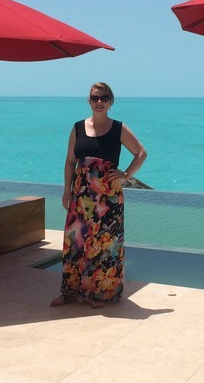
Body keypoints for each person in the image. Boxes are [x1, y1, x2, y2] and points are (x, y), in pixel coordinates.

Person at [51, 82, 147, 308]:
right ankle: (70, 292)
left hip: (108, 199)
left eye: (104, 98)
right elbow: (70, 161)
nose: (99, 102)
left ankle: (99, 293)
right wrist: (66, 190)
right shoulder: (77, 128)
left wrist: (125, 174)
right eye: (95, 98)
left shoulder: (118, 129)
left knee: (104, 245)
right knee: (75, 243)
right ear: (89, 101)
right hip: (80, 196)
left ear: (111, 101)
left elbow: (141, 153)